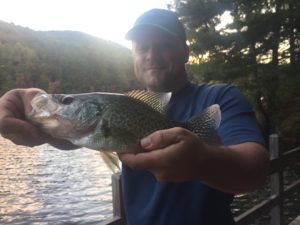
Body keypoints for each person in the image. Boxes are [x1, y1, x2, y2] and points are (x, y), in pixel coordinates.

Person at [0, 8, 269, 225]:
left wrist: (201, 160)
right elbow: (72, 134)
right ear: (134, 55)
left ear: (185, 52)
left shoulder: (220, 97)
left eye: (164, 45)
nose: (152, 55)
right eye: (142, 47)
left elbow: (255, 170)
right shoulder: (98, 123)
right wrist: (33, 113)